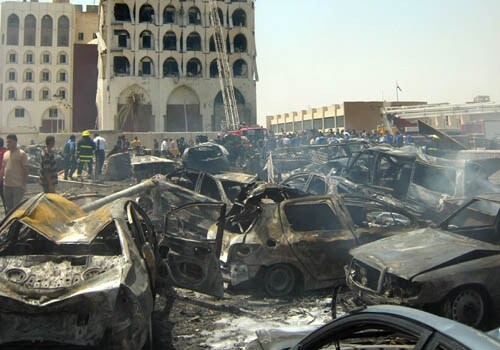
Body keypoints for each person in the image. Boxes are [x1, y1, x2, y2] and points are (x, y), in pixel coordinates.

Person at [0, 134, 28, 213]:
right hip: (7, 186)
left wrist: (24, 184)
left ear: (15, 142)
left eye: (10, 142)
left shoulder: (22, 154)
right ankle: (9, 224)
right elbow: (3, 168)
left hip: (17, 186)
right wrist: (1, 179)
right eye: (7, 142)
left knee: (17, 209)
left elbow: (25, 170)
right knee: (9, 208)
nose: (8, 144)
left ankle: (17, 225)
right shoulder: (6, 154)